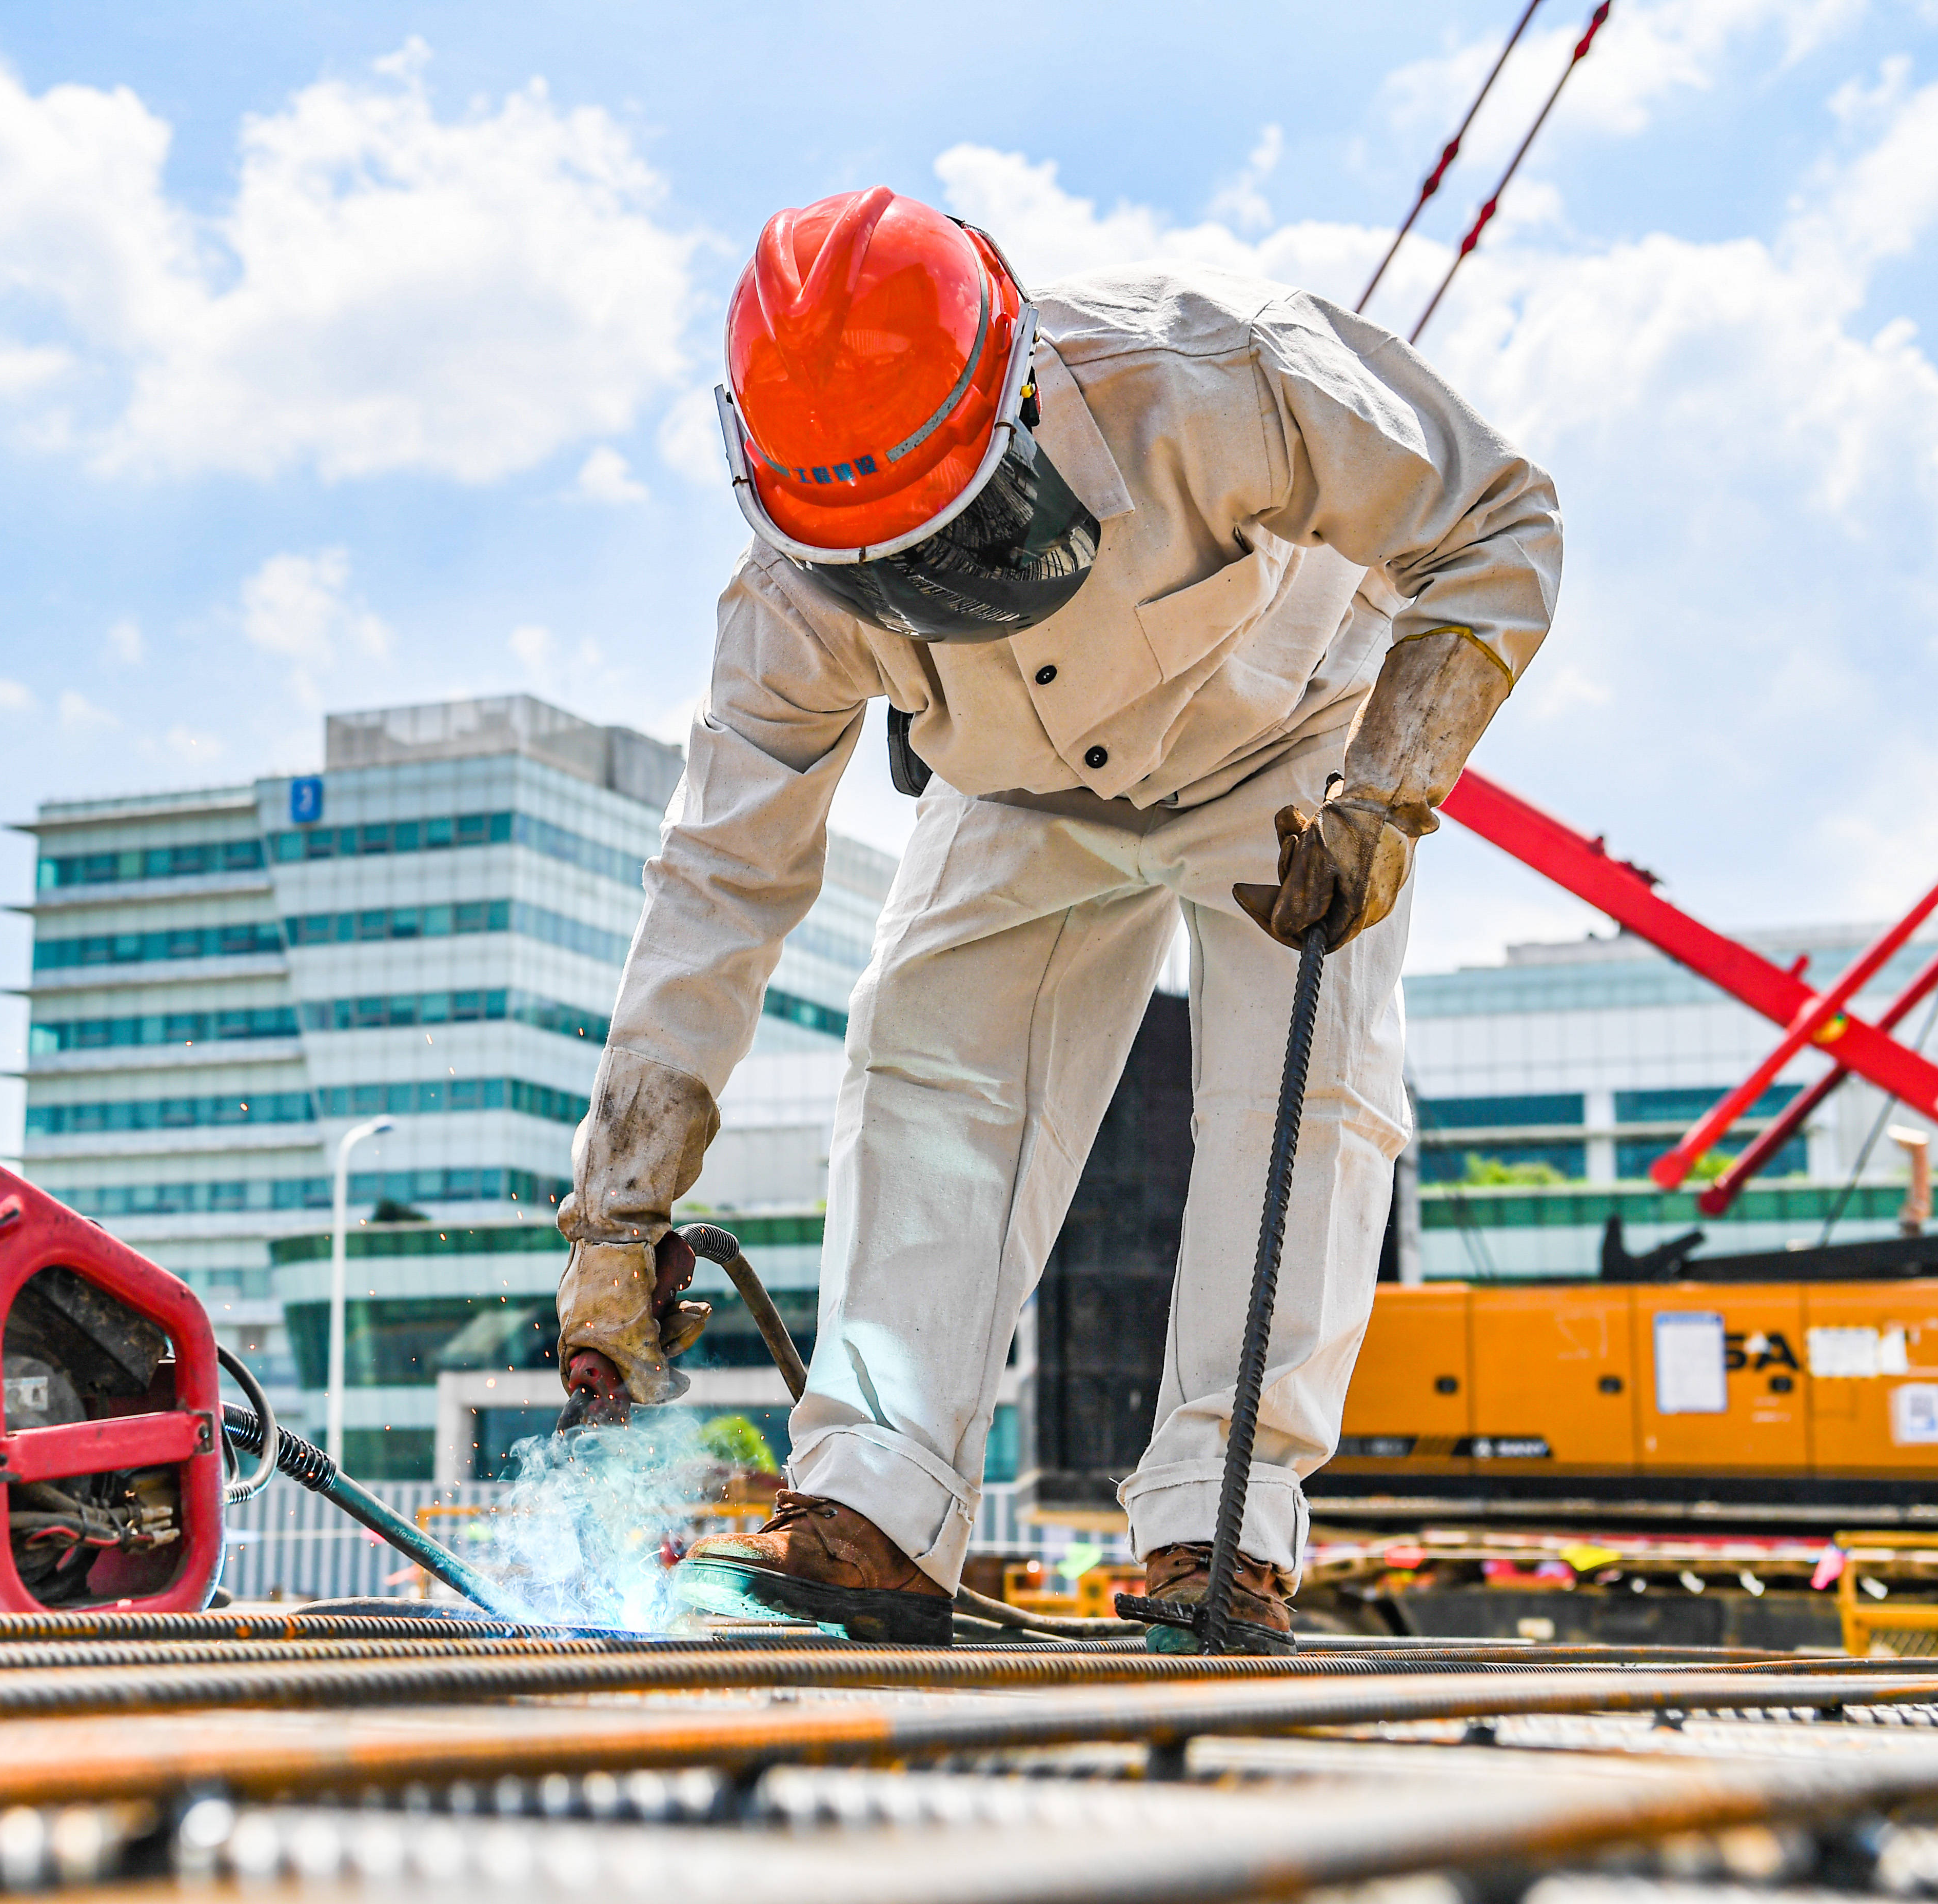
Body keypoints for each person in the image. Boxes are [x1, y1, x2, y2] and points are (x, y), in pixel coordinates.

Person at [552, 186, 1560, 1648]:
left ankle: (1225, 1532)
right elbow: (716, 884)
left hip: (1287, 743)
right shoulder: (789, 593)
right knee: (922, 1083)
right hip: (1014, 792)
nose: (924, 591)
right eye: (884, 570)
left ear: (1019, 393)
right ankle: (876, 1513)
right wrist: (615, 1214)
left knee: (1308, 1091)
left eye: (949, 544)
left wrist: (1386, 798)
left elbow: (1499, 516)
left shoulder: (1220, 376)